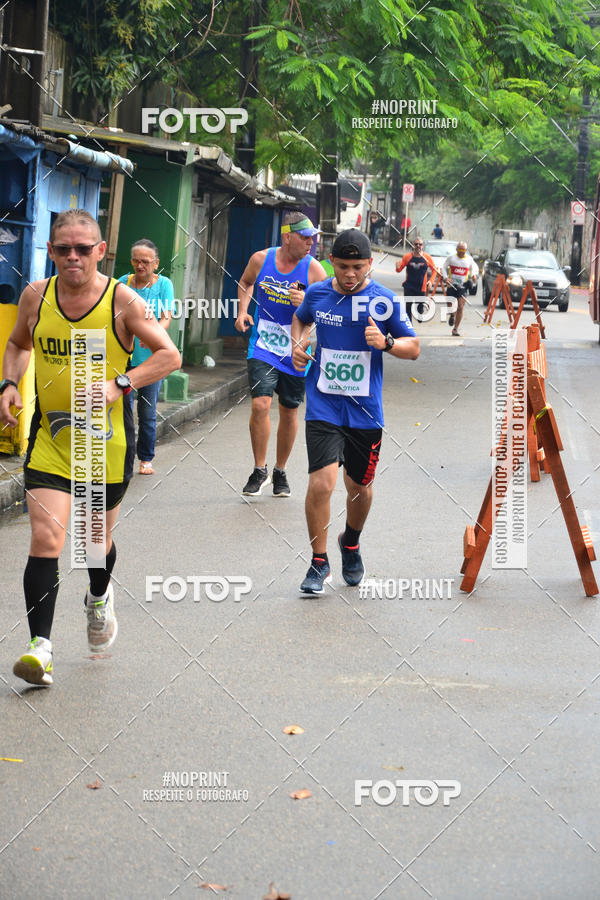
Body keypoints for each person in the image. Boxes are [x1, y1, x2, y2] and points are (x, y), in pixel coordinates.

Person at [0, 209, 180, 685]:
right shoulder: (36, 296)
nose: (73, 257)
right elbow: (18, 345)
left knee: (94, 546)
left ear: (101, 251)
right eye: (64, 249)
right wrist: (9, 384)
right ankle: (40, 648)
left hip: (104, 444)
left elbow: (169, 355)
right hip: (52, 441)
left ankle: (98, 597)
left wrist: (120, 382)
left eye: (84, 248)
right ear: (52, 251)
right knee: (47, 538)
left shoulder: (121, 301)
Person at [291, 228, 420, 594]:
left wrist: (387, 342)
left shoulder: (383, 300)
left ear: (369, 264)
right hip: (323, 404)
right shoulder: (317, 294)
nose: (350, 274)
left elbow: (414, 348)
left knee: (359, 488)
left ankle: (351, 542)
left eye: (358, 267)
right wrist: (298, 342)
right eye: (344, 266)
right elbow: (301, 318)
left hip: (365, 412)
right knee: (322, 484)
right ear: (332, 262)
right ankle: (318, 562)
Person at [235, 212, 327, 497]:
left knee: (289, 410)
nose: (311, 242)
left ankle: (280, 471)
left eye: (313, 237)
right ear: (287, 237)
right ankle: (259, 469)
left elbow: (327, 311)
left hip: (297, 348)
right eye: (305, 237)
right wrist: (242, 312)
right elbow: (245, 282)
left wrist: (307, 301)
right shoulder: (261, 259)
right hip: (263, 344)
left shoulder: (314, 271)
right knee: (261, 404)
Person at [118, 239, 174, 475]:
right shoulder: (122, 283)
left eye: (146, 261)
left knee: (148, 412)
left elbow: (166, 316)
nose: (140, 266)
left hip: (152, 359)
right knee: (124, 412)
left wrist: (153, 335)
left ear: (156, 263)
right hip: (125, 359)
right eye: (136, 261)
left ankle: (146, 458)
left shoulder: (164, 285)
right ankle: (124, 458)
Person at [395, 237, 437, 322]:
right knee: (408, 307)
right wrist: (397, 267)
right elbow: (399, 270)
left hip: (421, 287)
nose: (418, 246)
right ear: (413, 245)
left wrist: (431, 281)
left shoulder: (427, 257)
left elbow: (435, 270)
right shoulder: (407, 257)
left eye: (420, 244)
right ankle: (409, 326)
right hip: (409, 286)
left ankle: (420, 314)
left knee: (420, 309)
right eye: (416, 244)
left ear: (423, 246)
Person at [442, 241, 479, 336]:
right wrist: (446, 277)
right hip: (451, 285)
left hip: (462, 286)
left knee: (460, 307)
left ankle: (455, 329)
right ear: (456, 249)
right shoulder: (451, 258)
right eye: (459, 249)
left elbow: (474, 268)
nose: (461, 251)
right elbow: (444, 267)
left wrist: (474, 275)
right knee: (450, 304)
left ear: (466, 250)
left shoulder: (469, 259)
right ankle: (452, 315)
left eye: (463, 249)